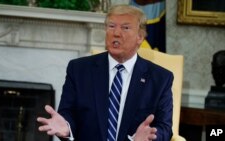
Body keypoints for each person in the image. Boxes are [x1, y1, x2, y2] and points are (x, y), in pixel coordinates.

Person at [37, 4, 173, 141]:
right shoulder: (79, 69)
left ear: (140, 37)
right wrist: (67, 128)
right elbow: (68, 113)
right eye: (111, 26)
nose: (116, 33)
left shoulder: (160, 79)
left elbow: (165, 128)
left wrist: (150, 137)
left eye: (125, 28)